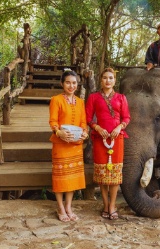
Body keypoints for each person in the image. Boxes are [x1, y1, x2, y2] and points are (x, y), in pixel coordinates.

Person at [85, 67, 130, 220]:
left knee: (115, 175)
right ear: (101, 80)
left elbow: (126, 118)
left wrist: (119, 127)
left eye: (111, 78)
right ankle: (105, 204)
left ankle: (112, 205)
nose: (108, 80)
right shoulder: (93, 97)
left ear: (114, 80)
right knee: (103, 175)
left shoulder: (121, 98)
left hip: (117, 139)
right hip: (100, 139)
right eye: (105, 78)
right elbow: (88, 118)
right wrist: (97, 127)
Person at [49, 69, 88, 222]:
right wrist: (59, 133)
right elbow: (53, 121)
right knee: (60, 177)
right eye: (68, 82)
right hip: (60, 144)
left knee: (72, 177)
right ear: (62, 84)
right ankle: (60, 207)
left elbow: (83, 122)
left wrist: (85, 132)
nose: (71, 86)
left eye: (74, 83)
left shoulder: (80, 102)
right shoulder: (56, 100)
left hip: (76, 144)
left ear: (77, 85)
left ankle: (69, 207)